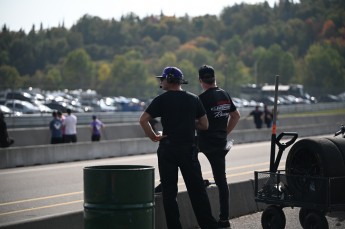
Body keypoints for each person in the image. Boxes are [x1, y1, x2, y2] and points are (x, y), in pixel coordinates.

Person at [139, 66, 218, 229]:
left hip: (167, 149)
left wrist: (154, 136)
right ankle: (208, 225)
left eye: (162, 79)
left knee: (169, 192)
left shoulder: (161, 100)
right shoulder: (193, 99)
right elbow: (205, 124)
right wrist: (189, 123)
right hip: (188, 149)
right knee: (197, 191)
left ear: (169, 80)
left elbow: (143, 120)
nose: (161, 81)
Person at [197, 65, 241, 228]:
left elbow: (199, 123)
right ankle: (224, 219)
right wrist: (225, 132)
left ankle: (195, 181)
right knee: (222, 182)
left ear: (201, 80)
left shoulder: (201, 98)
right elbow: (236, 116)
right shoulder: (225, 94)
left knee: (184, 155)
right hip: (220, 143)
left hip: (204, 142)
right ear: (214, 78)